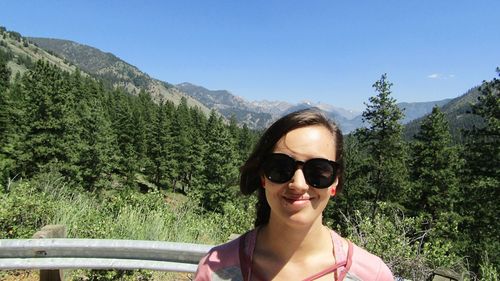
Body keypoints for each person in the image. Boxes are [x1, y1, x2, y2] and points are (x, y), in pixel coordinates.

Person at [195, 108, 394, 281]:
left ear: (335, 182)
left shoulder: (372, 276)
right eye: (280, 168)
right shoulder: (214, 271)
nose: (298, 184)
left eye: (318, 171)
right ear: (264, 177)